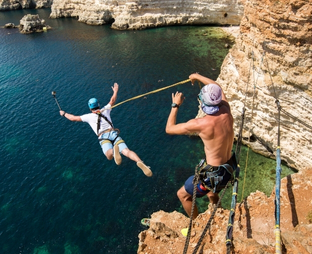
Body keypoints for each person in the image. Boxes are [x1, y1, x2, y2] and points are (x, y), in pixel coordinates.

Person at [165, 73, 237, 219]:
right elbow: (217, 87)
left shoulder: (201, 124)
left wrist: (175, 105)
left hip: (214, 175)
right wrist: (197, 76)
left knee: (183, 195)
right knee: (212, 192)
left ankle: (196, 223)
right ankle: (218, 210)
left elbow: (169, 129)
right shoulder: (226, 108)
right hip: (229, 167)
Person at [59, 83, 152, 177]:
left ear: (90, 108)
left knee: (108, 156)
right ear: (98, 105)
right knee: (127, 151)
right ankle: (140, 162)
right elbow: (112, 100)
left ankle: (114, 153)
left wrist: (64, 113)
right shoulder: (105, 109)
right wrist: (115, 91)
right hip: (113, 133)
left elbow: (73, 118)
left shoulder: (88, 117)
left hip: (103, 137)